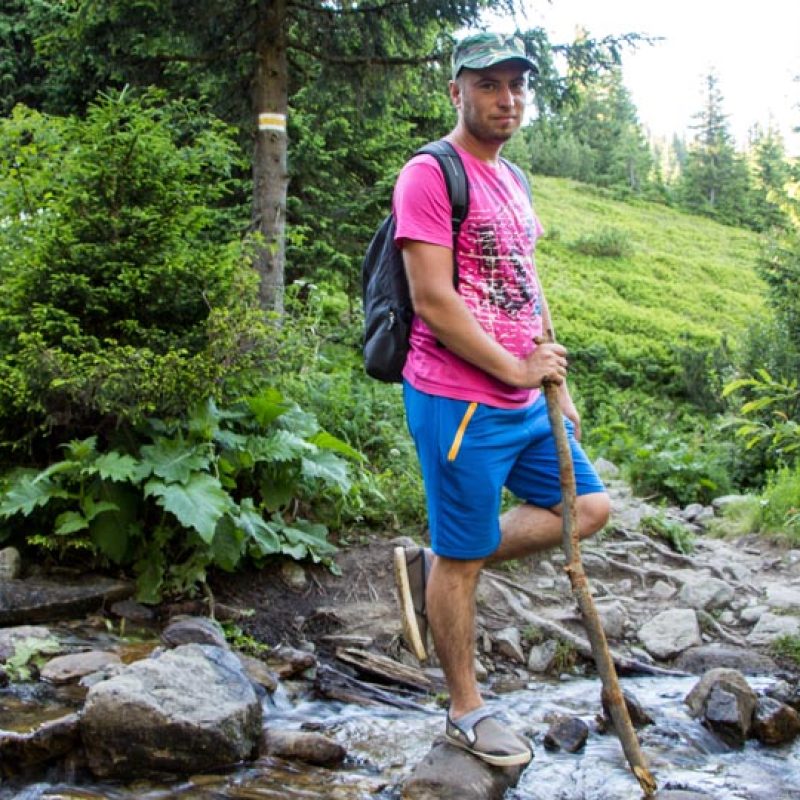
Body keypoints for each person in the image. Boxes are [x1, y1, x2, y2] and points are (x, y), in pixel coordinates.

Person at [392, 31, 611, 767]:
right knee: (464, 558)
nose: (506, 98)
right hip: (459, 401)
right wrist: (513, 371)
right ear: (456, 90)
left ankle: (441, 561)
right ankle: (465, 711)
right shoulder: (430, 173)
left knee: (587, 509)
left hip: (524, 401)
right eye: (488, 84)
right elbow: (432, 299)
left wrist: (554, 377)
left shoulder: (513, 178)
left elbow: (526, 283)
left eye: (517, 84)